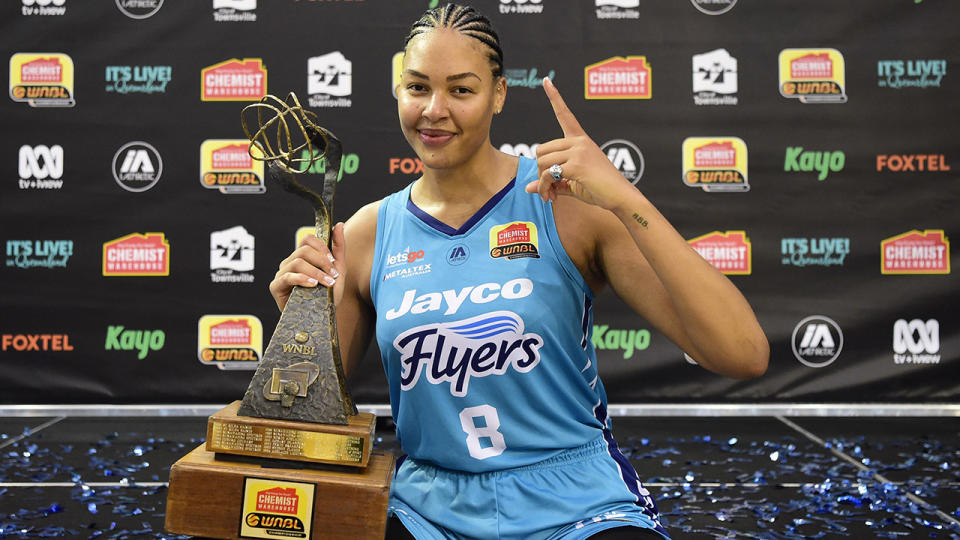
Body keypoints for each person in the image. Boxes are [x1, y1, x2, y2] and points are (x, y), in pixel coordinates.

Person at [269, 3, 769, 538]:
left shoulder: (563, 202)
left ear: (499, 94)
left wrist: (625, 200)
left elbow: (742, 354)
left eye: (461, 90)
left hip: (578, 505)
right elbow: (301, 422)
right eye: (417, 87)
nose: (434, 110)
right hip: (428, 510)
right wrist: (298, 324)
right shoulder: (368, 233)